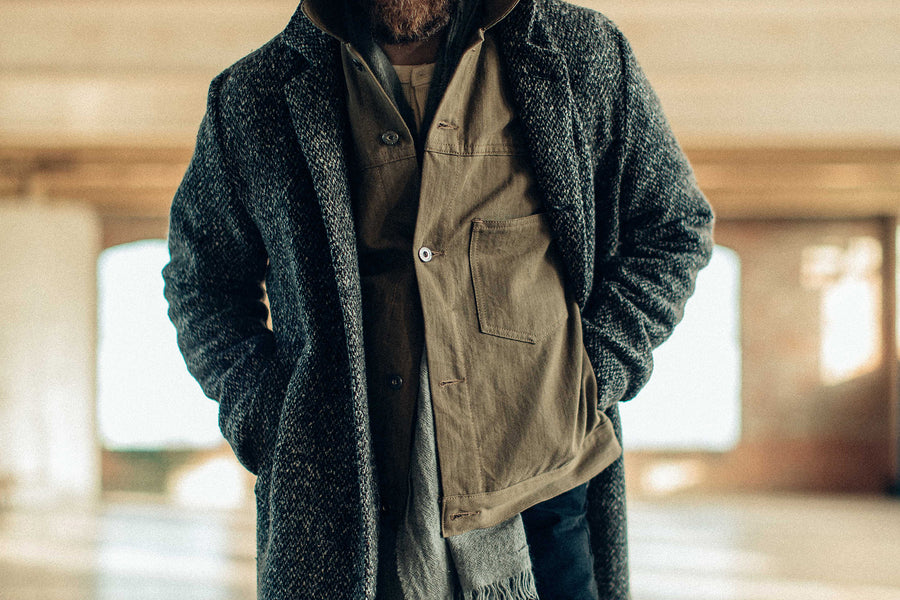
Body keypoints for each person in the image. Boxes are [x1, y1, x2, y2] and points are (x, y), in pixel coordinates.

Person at [161, 0, 714, 598]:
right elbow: (203, 285)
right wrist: (274, 422)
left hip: (546, 492)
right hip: (347, 505)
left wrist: (593, 374)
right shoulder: (252, 95)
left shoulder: (581, 52)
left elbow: (672, 226)